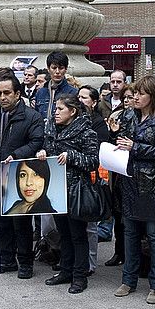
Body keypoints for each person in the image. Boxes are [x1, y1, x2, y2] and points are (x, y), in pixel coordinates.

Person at [0, 69, 45, 276]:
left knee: (20, 222)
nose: (2, 97)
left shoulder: (31, 117)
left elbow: (36, 141)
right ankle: (6, 259)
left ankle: (25, 263)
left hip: (18, 175)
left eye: (7, 93)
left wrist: (16, 154)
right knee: (1, 220)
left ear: (17, 94)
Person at [112, 76, 155, 304]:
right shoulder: (130, 116)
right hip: (130, 181)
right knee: (129, 232)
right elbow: (123, 141)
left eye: (140, 94)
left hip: (154, 183)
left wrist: (135, 147)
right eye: (134, 93)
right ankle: (128, 280)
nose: (135, 97)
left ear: (153, 96)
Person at [36, 93, 100, 293]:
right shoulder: (52, 129)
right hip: (56, 189)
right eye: (55, 109)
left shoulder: (86, 132)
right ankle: (65, 270)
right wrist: (43, 153)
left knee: (77, 234)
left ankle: (80, 276)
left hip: (76, 190)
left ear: (72, 112)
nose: (56, 113)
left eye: (60, 109)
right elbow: (47, 149)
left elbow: (93, 161)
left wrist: (72, 156)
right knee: (63, 233)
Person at [33, 51, 78, 122]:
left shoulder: (73, 92)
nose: (57, 71)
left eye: (61, 68)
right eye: (54, 68)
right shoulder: (41, 92)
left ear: (65, 69)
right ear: (48, 69)